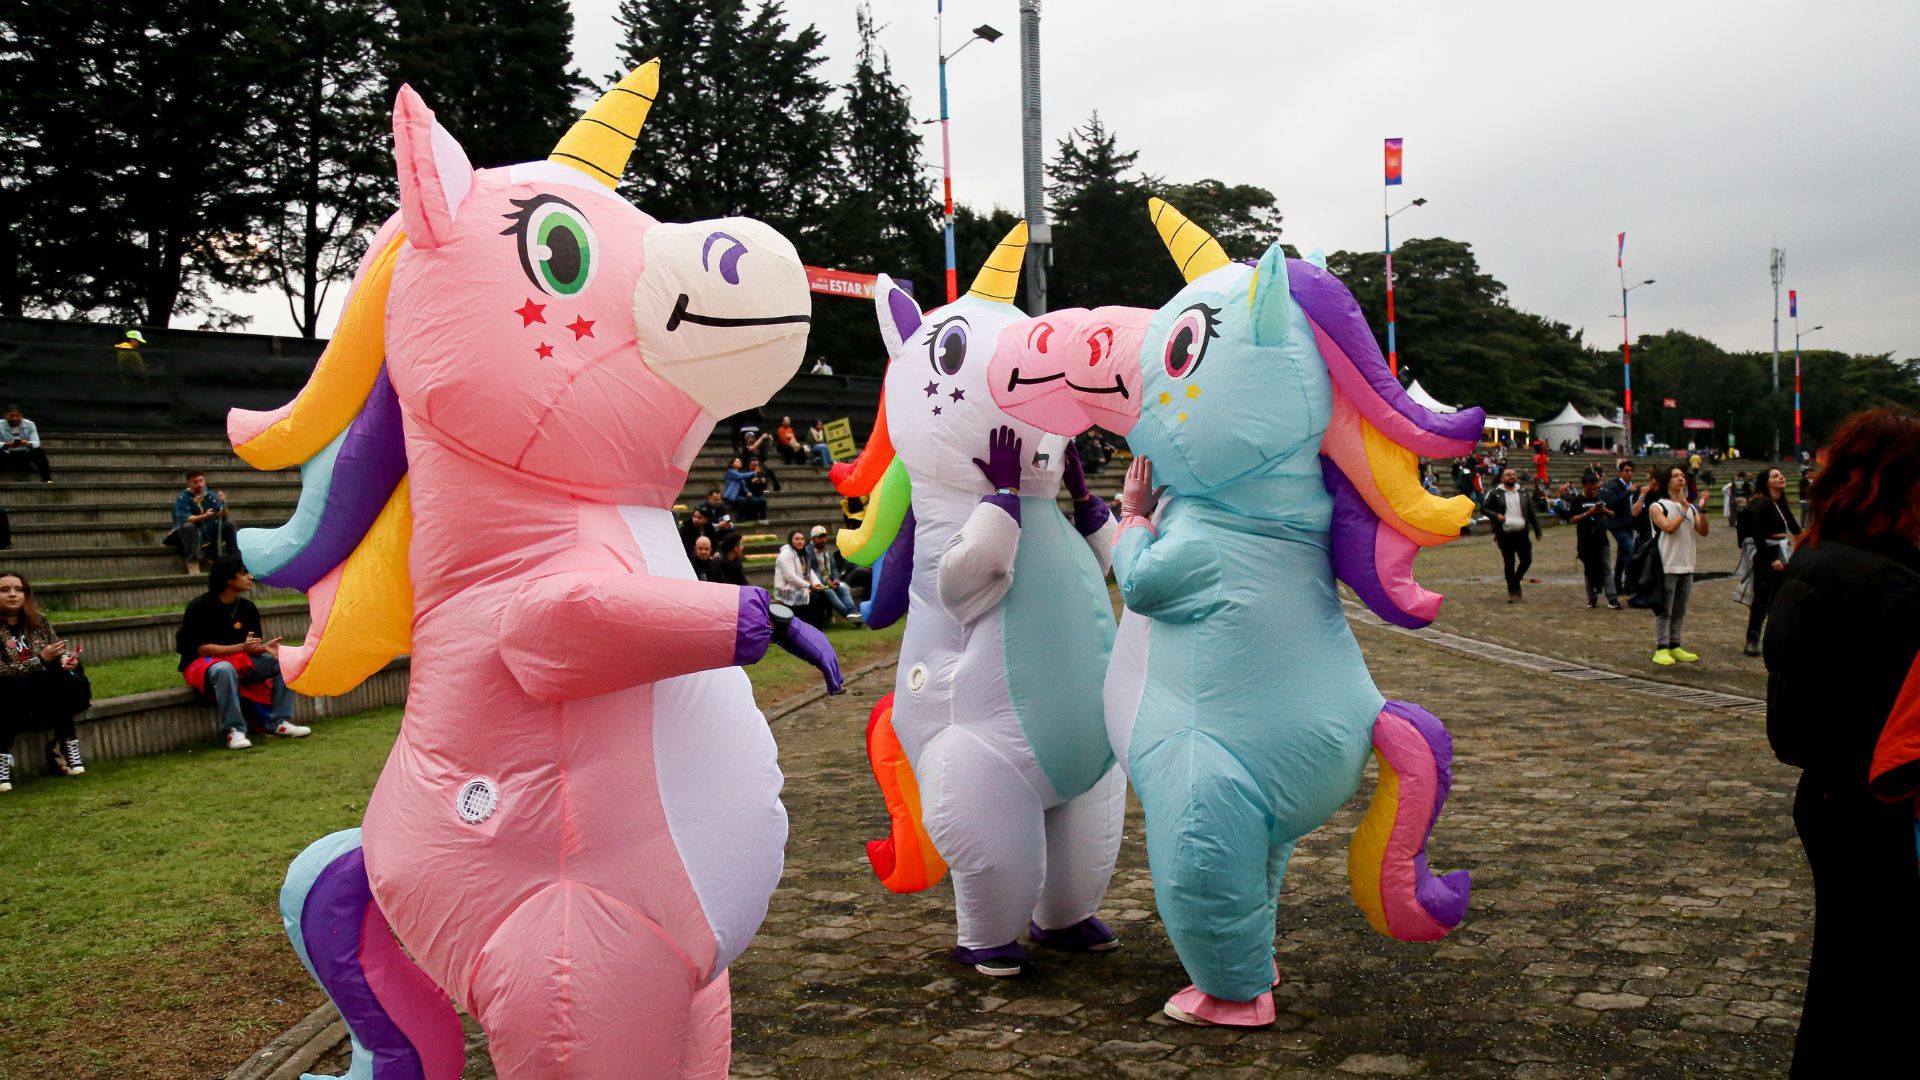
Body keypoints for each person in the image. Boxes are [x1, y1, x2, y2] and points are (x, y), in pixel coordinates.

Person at [1763, 408, 1920, 1075]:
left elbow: (1791, 727)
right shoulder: (1888, 583)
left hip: (1830, 796)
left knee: (1847, 973)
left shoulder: (1819, 558)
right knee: (1878, 984)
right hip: (1882, 805)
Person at [176, 559, 310, 749]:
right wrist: (242, 648)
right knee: (224, 669)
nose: (251, 577)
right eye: (244, 573)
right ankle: (235, 730)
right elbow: (201, 649)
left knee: (283, 662)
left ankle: (279, 722)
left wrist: (264, 648)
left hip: (241, 659)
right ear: (229, 579)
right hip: (202, 663)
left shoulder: (247, 608)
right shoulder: (199, 607)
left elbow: (250, 647)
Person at [0, 572, 89, 790]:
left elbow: (57, 647)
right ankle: (2, 755)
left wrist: (68, 659)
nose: (13, 594)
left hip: (41, 687)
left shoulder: (38, 620)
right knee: (11, 689)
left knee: (59, 676)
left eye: (19, 589)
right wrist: (40, 660)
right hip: (8, 688)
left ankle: (67, 742)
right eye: (5, 590)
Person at [1648, 465, 1709, 665]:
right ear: (1667, 482)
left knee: (1680, 609)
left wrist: (1703, 508)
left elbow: (1703, 531)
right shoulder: (1658, 506)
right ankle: (1661, 647)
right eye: (1675, 476)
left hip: (1687, 564)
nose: (1680, 479)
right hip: (1667, 564)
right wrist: (1683, 512)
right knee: (1664, 610)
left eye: (1682, 476)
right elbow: (1668, 528)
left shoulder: (1690, 507)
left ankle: (1675, 644)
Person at [1741, 467, 1802, 657]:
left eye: (1781, 475)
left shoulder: (1780, 503)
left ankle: (1776, 639)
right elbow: (1757, 533)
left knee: (1780, 599)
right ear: (1766, 482)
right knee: (1762, 600)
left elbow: (1794, 527)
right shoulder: (1761, 503)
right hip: (1767, 553)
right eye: (1775, 476)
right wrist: (1771, 558)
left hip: (1784, 551)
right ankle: (1752, 640)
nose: (1781, 477)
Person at [1483, 467, 1542, 602]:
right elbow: (1484, 508)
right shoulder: (1495, 493)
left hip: (1522, 533)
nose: (1512, 477)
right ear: (1503, 478)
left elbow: (1531, 512)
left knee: (1527, 560)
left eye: (1514, 474)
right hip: (1505, 534)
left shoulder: (1522, 492)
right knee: (1509, 563)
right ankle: (1512, 591)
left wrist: (1537, 530)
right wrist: (1495, 515)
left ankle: (1516, 579)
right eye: (1508, 475)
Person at [168, 470, 238, 573]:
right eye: (195, 482)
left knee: (229, 524)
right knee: (189, 527)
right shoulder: (183, 497)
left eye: (201, 481)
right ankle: (192, 562)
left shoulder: (210, 495)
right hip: (190, 532)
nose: (199, 484)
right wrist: (204, 516)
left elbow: (224, 516)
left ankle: (235, 559)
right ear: (189, 483)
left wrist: (224, 503)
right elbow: (186, 519)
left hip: (210, 530)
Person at [1568, 472, 1620, 609]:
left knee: (1606, 566)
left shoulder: (1601, 498)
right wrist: (1587, 513)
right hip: (1585, 540)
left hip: (1601, 538)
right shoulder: (1578, 500)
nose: (1592, 491)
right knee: (1589, 568)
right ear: (1584, 486)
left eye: (1595, 488)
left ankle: (1612, 597)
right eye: (1589, 488)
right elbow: (1571, 519)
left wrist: (1604, 510)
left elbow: (1614, 514)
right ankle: (1592, 598)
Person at [807, 525, 861, 623]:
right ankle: (850, 615)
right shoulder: (808, 552)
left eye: (824, 536)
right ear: (813, 539)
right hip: (816, 584)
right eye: (819, 537)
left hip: (829, 582)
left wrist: (836, 579)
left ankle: (853, 612)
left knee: (843, 589)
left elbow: (834, 568)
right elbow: (810, 572)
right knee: (830, 592)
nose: (823, 539)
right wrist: (826, 583)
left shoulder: (827, 550)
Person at [1602, 460, 1639, 597]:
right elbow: (1613, 502)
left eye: (1631, 471)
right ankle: (1631, 583)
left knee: (1622, 555)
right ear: (1620, 472)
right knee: (1630, 550)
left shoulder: (1632, 487)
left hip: (1629, 524)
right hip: (1617, 525)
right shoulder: (1614, 485)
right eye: (1626, 470)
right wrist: (1628, 492)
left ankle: (1617, 584)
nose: (1629, 473)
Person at [773, 529, 823, 626]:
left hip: (799, 588)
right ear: (791, 541)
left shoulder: (802, 553)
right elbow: (790, 577)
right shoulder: (786, 554)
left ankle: (813, 628)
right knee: (815, 599)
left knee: (822, 595)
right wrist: (809, 586)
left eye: (802, 539)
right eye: (796, 539)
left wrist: (817, 583)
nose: (800, 541)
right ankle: (812, 628)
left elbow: (809, 571)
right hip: (785, 592)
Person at [0, 406, 51, 483]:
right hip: (7, 454)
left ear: (21, 416)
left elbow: (36, 442)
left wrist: (26, 443)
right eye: (11, 415)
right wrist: (7, 445)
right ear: (6, 415)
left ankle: (47, 480)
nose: (15, 418)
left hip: (24, 454)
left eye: (17, 416)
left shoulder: (30, 424)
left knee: (38, 452)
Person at [722, 457, 764, 522]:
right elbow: (740, 476)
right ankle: (740, 518)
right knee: (743, 500)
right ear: (732, 464)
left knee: (753, 500)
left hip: (737, 495)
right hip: (730, 496)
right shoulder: (730, 472)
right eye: (737, 461)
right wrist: (754, 473)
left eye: (740, 461)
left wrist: (747, 492)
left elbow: (743, 484)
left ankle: (752, 518)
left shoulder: (737, 472)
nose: (740, 462)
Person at [745, 459, 773, 523]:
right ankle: (754, 518)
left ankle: (763, 518)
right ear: (749, 465)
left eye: (756, 465)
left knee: (763, 500)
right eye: (753, 465)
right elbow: (744, 485)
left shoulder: (761, 473)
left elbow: (764, 487)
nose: (755, 467)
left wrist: (764, 482)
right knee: (755, 501)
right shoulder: (745, 473)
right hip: (749, 494)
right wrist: (752, 481)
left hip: (759, 494)